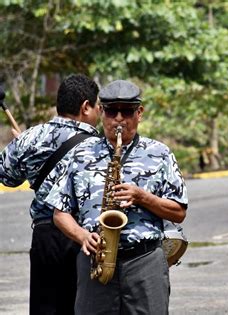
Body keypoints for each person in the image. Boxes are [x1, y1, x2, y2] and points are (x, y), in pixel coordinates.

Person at [45, 79, 188, 314]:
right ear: (101, 111)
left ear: (139, 113)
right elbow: (60, 213)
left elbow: (179, 212)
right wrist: (82, 236)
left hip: (145, 262)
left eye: (127, 111)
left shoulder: (160, 154)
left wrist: (143, 197)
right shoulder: (80, 154)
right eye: (112, 111)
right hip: (95, 260)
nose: (119, 118)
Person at [0, 74, 101, 314]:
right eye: (98, 107)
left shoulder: (31, 137)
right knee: (85, 306)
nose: (100, 112)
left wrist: (24, 149)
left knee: (47, 308)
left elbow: (7, 177)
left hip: (46, 238)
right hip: (86, 237)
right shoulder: (98, 144)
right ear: (86, 107)